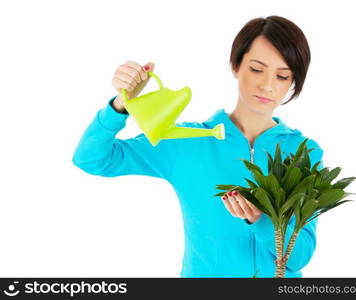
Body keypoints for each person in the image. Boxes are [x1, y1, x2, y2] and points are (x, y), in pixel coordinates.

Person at [72, 15, 324, 278]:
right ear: (236, 66)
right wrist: (120, 106)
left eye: (282, 76)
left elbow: (299, 257)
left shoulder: (304, 152)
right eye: (257, 69)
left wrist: (261, 221)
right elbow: (91, 159)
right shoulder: (187, 141)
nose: (267, 85)